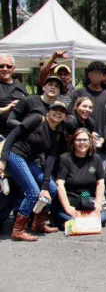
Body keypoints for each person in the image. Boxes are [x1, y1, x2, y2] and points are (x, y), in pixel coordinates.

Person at [0, 100, 68, 241]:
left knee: (52, 188)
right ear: (48, 112)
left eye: (62, 112)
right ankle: (18, 230)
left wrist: (45, 186)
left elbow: (49, 160)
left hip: (28, 161)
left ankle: (39, 223)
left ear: (64, 117)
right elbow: (13, 135)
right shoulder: (38, 119)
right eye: (55, 109)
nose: (58, 113)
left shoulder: (56, 135)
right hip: (14, 155)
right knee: (33, 193)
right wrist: (3, 159)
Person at [52, 128, 106, 229]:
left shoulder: (96, 159)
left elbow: (100, 184)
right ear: (73, 142)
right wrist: (67, 207)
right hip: (69, 202)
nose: (82, 143)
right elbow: (59, 184)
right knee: (72, 220)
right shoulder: (65, 158)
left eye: (85, 140)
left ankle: (74, 225)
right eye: (78, 140)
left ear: (90, 142)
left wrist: (98, 206)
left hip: (87, 202)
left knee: (102, 219)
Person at [0, 54, 28, 137]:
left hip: (19, 132)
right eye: (1, 66)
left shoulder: (20, 86)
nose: (5, 69)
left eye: (9, 66)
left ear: (14, 69)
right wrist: (6, 109)